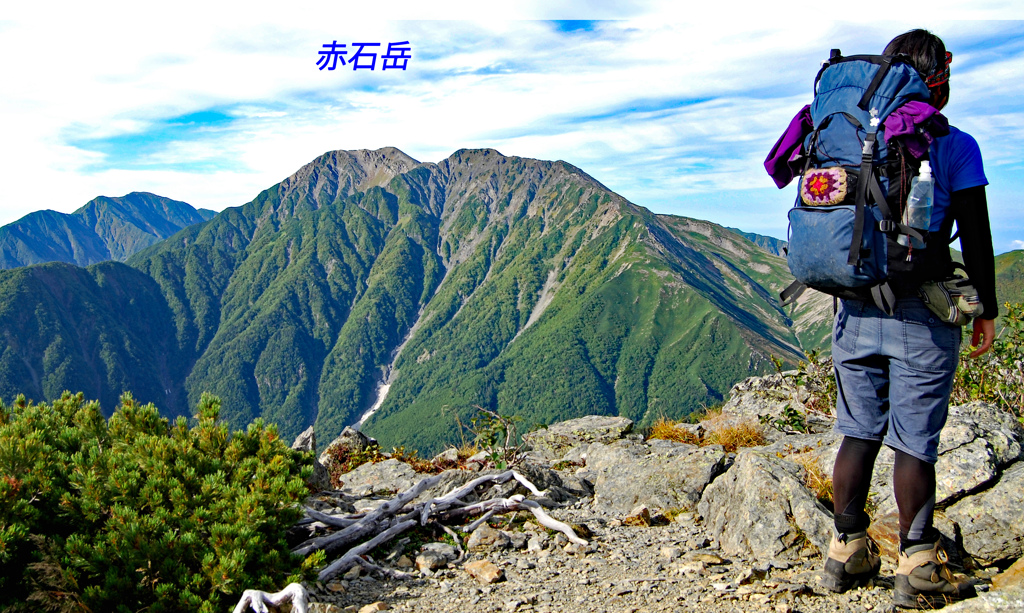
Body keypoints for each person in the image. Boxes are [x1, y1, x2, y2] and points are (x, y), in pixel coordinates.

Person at [820, 29, 997, 609]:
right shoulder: (953, 143)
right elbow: (975, 235)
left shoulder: (847, 137)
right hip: (922, 313)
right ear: (936, 77)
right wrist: (985, 310)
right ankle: (917, 562)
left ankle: (846, 549)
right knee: (915, 439)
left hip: (853, 305)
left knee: (858, 430)